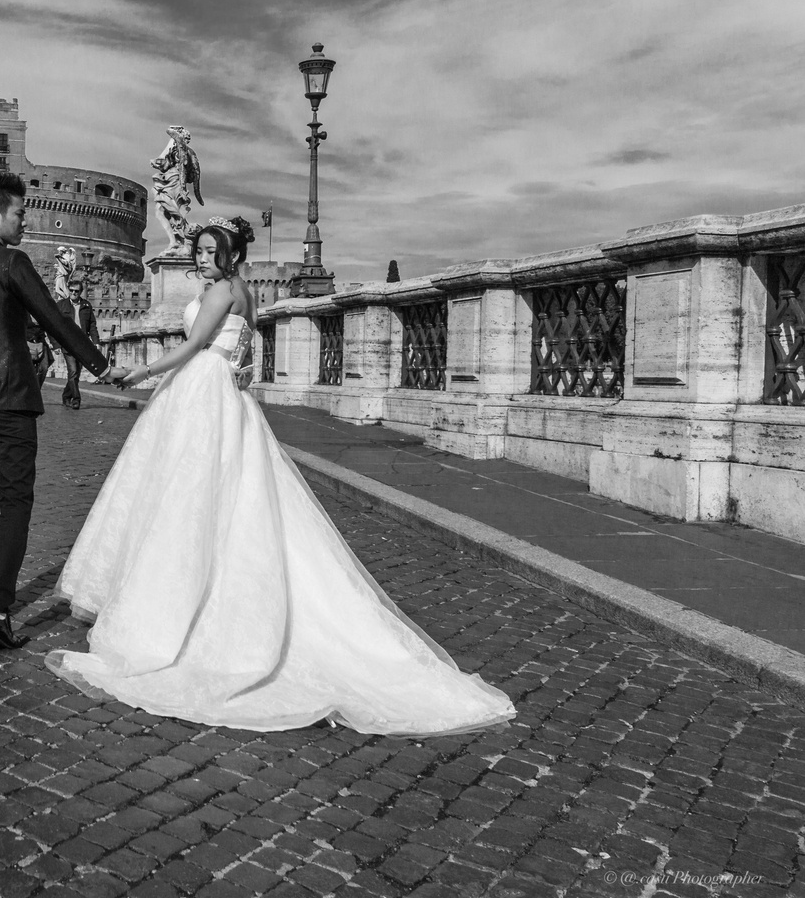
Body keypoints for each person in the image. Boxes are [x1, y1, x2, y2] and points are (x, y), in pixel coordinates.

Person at [45, 218, 517, 735]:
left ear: (229, 254)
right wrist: (238, 366)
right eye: (198, 251)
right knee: (216, 492)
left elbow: (194, 345)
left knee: (185, 494)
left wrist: (140, 372)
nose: (200, 258)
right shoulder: (242, 291)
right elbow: (247, 350)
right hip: (227, 394)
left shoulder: (224, 289)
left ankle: (170, 610)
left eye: (208, 251)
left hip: (201, 388)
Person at [0, 172, 128, 649]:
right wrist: (100, 367)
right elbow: (56, 321)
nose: (26, 220)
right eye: (19, 213)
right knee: (15, 503)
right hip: (12, 401)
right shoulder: (13, 263)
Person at [52, 281, 99, 410]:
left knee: (76, 374)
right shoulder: (61, 305)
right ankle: (76, 399)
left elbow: (92, 325)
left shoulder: (86, 306)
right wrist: (55, 345)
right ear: (68, 290)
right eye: (71, 290)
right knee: (72, 371)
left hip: (83, 345)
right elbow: (52, 326)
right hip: (68, 344)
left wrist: (96, 342)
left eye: (76, 291)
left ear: (80, 292)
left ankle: (66, 396)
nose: (73, 293)